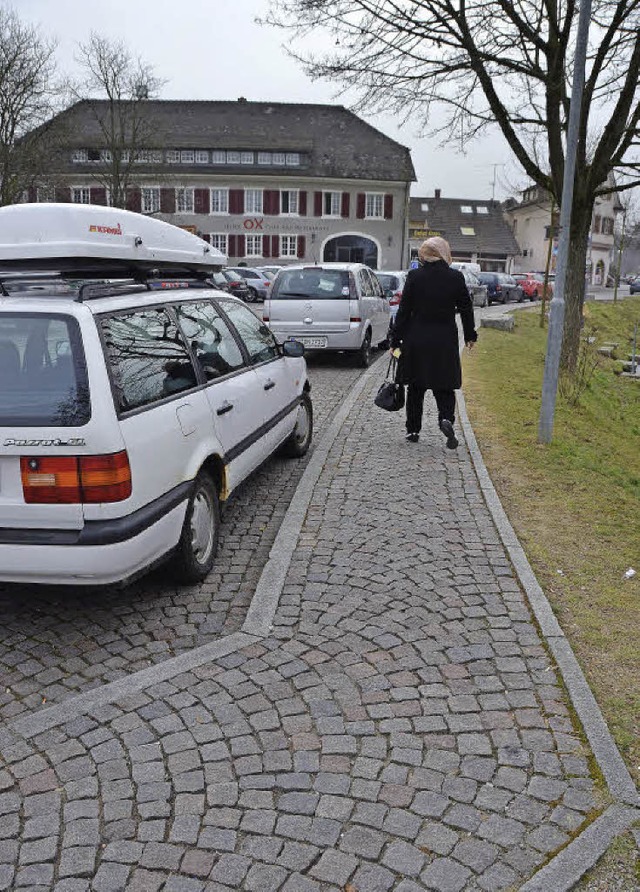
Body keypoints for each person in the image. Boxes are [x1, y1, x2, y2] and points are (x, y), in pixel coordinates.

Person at [390, 237, 477, 448]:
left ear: (424, 254)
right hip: (444, 340)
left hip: (416, 338)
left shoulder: (414, 276)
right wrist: (470, 336)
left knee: (416, 388)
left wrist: (395, 339)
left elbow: (404, 310)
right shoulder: (455, 277)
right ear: (443, 252)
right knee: (444, 386)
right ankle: (445, 419)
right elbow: (466, 308)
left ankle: (412, 430)